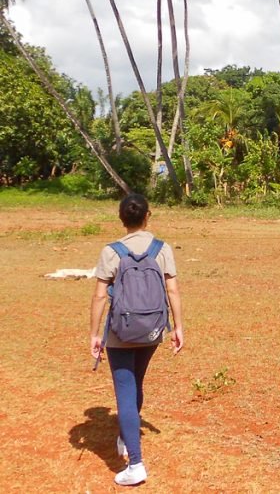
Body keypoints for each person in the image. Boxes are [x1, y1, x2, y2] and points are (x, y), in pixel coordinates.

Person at [89, 193, 184, 487]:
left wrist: (94, 334)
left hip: (121, 331)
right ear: (148, 216)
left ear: (121, 218)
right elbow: (172, 291)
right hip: (153, 329)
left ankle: (136, 463)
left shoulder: (111, 251)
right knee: (136, 384)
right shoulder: (162, 248)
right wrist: (177, 327)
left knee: (125, 392)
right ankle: (126, 435)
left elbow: (100, 295)